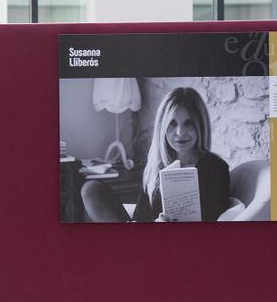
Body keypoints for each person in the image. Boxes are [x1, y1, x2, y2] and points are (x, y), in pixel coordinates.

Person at [82, 86, 230, 222]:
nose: (180, 132)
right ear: (163, 127)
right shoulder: (156, 165)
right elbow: (140, 219)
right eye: (172, 123)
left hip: (183, 242)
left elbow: (216, 222)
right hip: (146, 239)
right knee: (91, 189)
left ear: (201, 126)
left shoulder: (216, 168)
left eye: (188, 123)